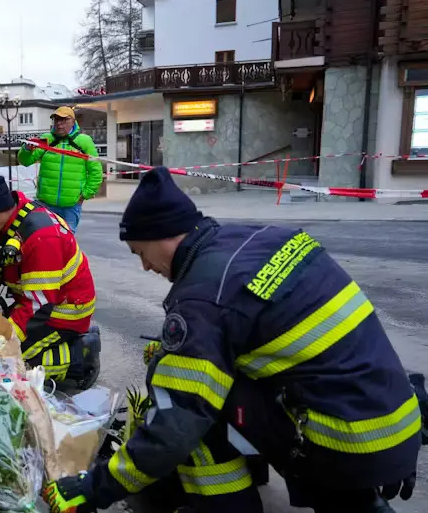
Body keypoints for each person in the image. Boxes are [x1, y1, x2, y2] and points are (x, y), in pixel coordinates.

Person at [43, 167, 421, 513]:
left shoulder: (203, 296)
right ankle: (358, 501)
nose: (144, 265)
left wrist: (93, 488)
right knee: (213, 381)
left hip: (343, 445)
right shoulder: (265, 240)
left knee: (195, 414)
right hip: (394, 418)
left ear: (162, 236)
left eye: (140, 252)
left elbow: (176, 422)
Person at [0, 171, 99, 388]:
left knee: (6, 363)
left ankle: (81, 354)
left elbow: (37, 308)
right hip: (36, 303)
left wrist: (1, 343)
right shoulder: (0, 227)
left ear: (1, 207)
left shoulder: (41, 236)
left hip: (63, 312)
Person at [17, 106, 102, 233]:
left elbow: (96, 171)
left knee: (66, 243)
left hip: (71, 206)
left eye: (63, 120)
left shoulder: (84, 141)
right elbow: (25, 161)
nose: (59, 124)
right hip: (45, 203)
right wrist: (27, 150)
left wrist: (85, 194)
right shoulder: (47, 139)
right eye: (56, 120)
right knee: (44, 239)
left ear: (73, 121)